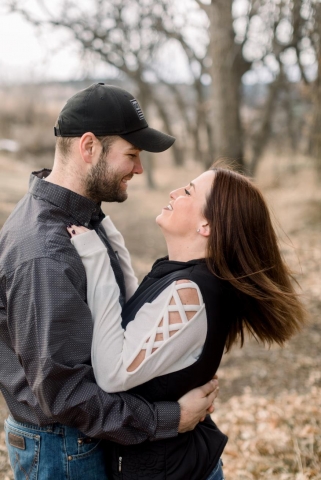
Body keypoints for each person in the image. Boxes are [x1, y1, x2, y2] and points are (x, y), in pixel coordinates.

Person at [0, 83, 219, 480]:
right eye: (132, 155)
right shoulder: (44, 252)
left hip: (84, 436)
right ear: (89, 148)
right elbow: (65, 395)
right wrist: (168, 417)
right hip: (62, 447)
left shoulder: (82, 218)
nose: (139, 169)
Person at [68, 166, 307, 480]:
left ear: (207, 224)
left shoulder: (189, 293)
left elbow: (113, 374)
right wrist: (107, 233)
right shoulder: (184, 276)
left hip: (175, 472)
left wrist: (97, 259)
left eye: (188, 192)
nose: (174, 192)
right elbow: (133, 314)